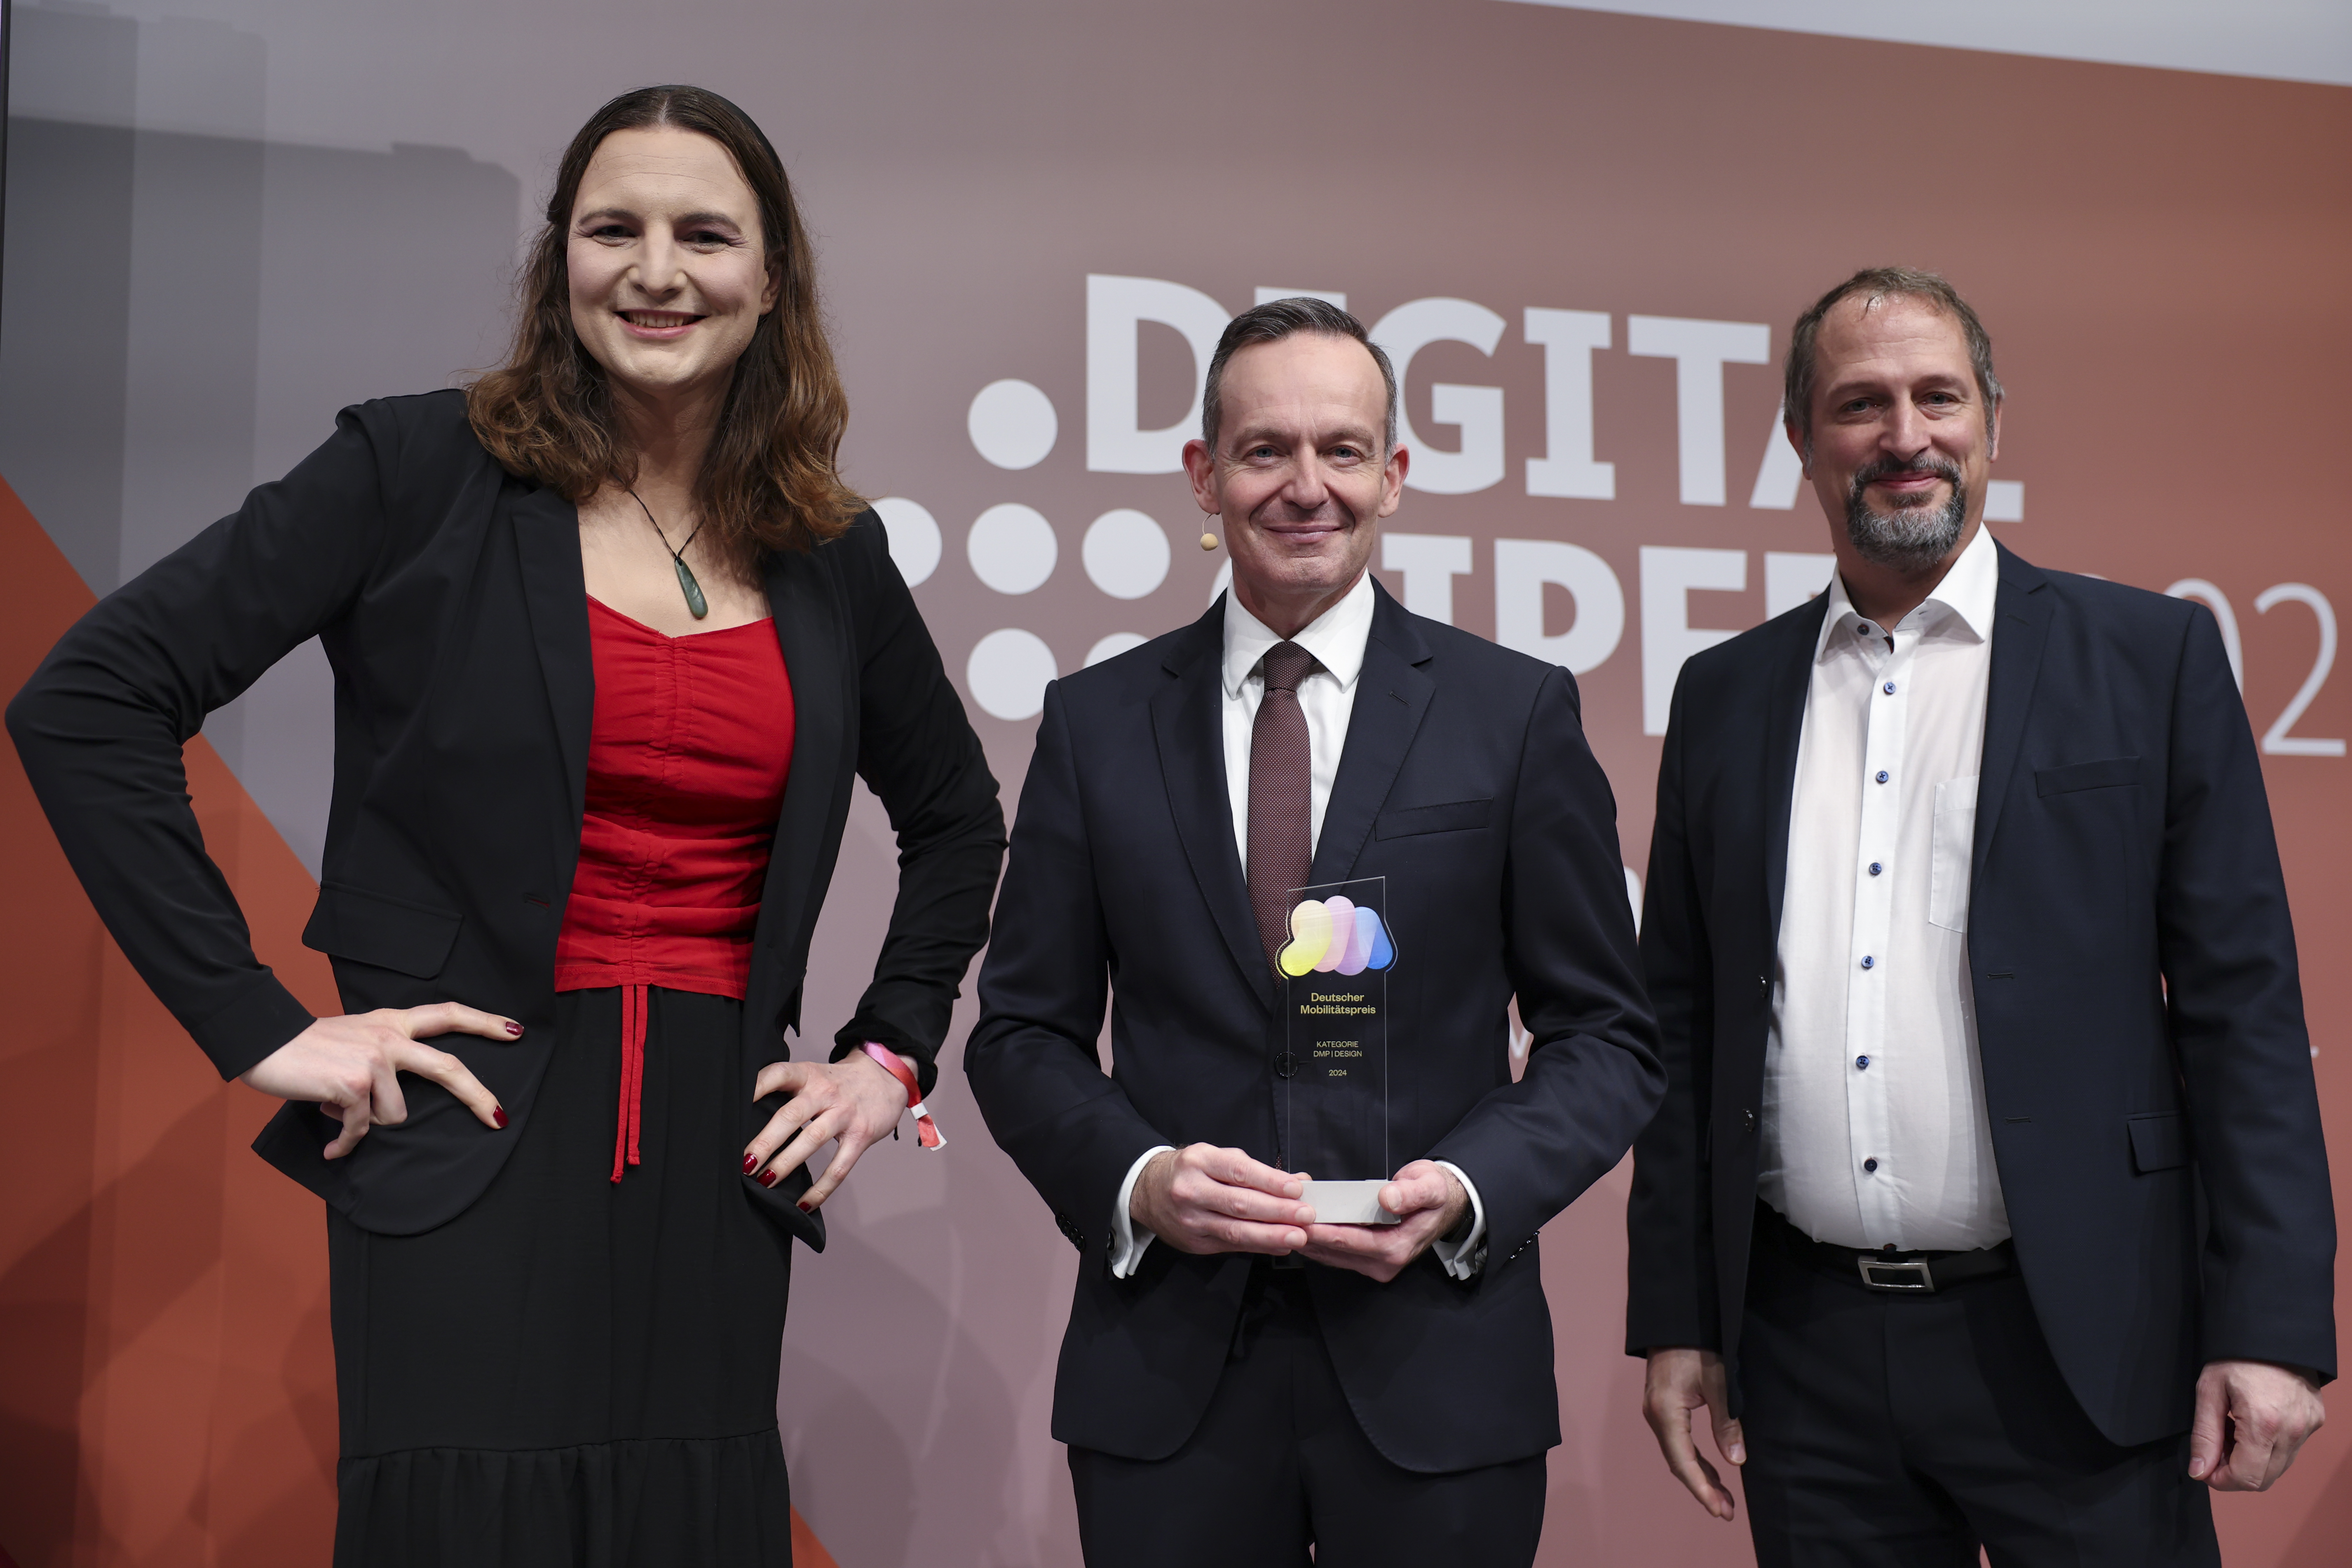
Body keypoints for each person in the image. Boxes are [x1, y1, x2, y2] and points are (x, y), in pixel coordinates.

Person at [7, 85, 1003, 1566]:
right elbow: (89, 699)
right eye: (615, 228)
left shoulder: (827, 548)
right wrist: (261, 1026)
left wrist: (886, 1054)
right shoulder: (414, 472)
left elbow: (957, 820)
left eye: (704, 235)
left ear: (772, 275)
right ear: (561, 263)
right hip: (464, 1142)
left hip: (716, 1174)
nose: (656, 270)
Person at [1627, 266, 2333, 1566]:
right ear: (1799, 440)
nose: (1904, 436)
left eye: (1936, 396)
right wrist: (1680, 1318)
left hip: (2084, 1339)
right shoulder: (1723, 696)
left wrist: (2273, 1324)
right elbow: (1680, 1028)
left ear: (1991, 423)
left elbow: (2243, 1011)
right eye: (1859, 404)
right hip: (1807, 1355)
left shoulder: (2148, 660)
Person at [965, 297, 1661, 1566]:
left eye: (1342, 451)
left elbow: (1605, 1036)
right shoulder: (1095, 724)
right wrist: (1138, 1182)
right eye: (1264, 449)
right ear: (1203, 475)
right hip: (1168, 1373)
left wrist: (1463, 1191)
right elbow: (1021, 1032)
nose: (1305, 487)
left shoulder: (1512, 716)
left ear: (1393, 478)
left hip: (1439, 1367)